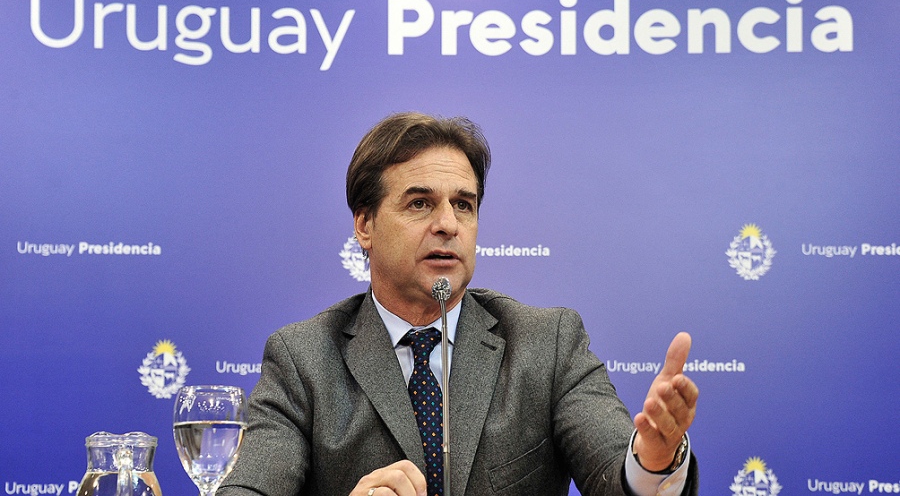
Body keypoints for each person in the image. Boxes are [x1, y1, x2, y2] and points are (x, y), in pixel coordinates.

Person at [217, 112, 700, 496]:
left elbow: (616, 475)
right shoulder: (303, 360)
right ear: (365, 225)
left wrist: (653, 461)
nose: (448, 224)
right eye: (420, 203)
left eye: (463, 205)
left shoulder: (546, 344)